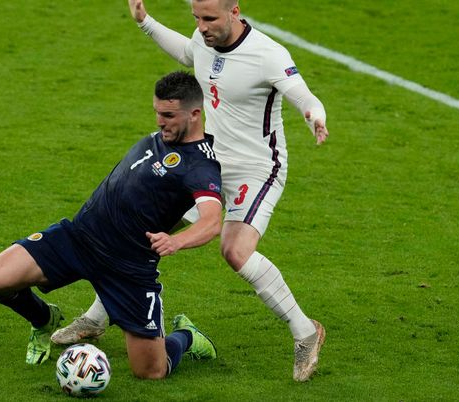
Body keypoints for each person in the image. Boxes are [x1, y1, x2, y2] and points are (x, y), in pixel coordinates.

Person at [52, 0, 329, 382]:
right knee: (143, 229)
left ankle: (305, 332)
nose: (201, 27)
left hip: (256, 167)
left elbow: (301, 93)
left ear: (235, 10)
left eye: (210, 18)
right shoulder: (204, 39)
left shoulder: (268, 54)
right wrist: (146, 22)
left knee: (235, 251)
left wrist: (315, 114)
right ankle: (98, 317)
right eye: (196, 18)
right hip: (207, 161)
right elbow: (188, 51)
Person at [0, 71, 223, 379]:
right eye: (157, 113)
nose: (160, 122)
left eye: (168, 115)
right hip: (79, 238)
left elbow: (212, 221)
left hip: (128, 268)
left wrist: (176, 241)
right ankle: (43, 319)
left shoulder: (201, 166)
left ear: (195, 114)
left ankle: (186, 336)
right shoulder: (165, 136)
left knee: (151, 372)